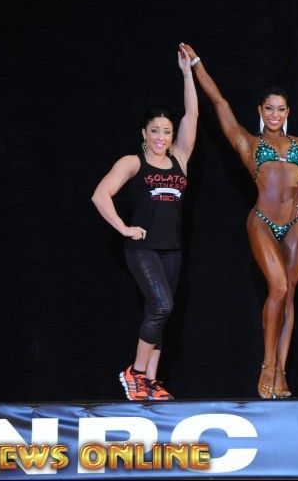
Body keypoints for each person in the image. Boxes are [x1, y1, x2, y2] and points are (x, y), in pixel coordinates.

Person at [182, 43, 298, 399]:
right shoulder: (248, 143)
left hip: (294, 226)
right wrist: (197, 63)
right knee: (278, 288)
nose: (275, 114)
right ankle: (267, 364)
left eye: (280, 109)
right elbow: (220, 103)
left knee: (289, 297)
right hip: (262, 221)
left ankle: (281, 373)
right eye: (269, 108)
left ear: (288, 112)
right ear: (260, 111)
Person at [91, 44, 197, 401]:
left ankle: (150, 382)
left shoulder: (180, 158)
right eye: (155, 131)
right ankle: (135, 373)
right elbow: (100, 195)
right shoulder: (133, 162)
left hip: (172, 249)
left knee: (160, 313)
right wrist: (123, 228)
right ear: (144, 134)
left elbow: (192, 114)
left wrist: (187, 73)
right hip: (143, 248)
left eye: (166, 131)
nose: (161, 137)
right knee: (162, 306)